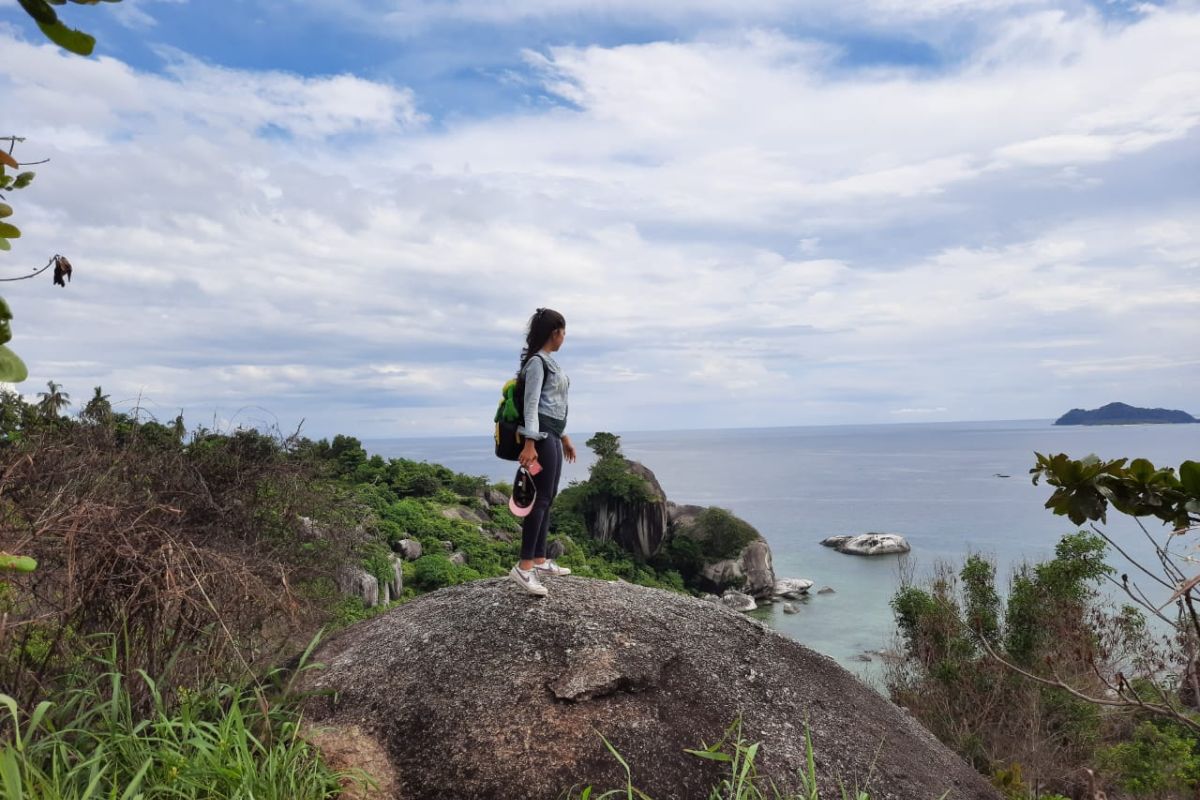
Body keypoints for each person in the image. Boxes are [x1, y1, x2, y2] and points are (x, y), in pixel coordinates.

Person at [509, 308, 577, 596]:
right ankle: (524, 568)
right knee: (539, 500)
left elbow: (553, 406)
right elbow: (532, 404)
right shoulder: (538, 363)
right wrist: (529, 443)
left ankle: (539, 560)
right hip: (540, 437)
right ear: (555, 332)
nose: (564, 337)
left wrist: (564, 437)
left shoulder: (550, 362)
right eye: (563, 332)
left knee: (549, 498)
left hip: (551, 435)